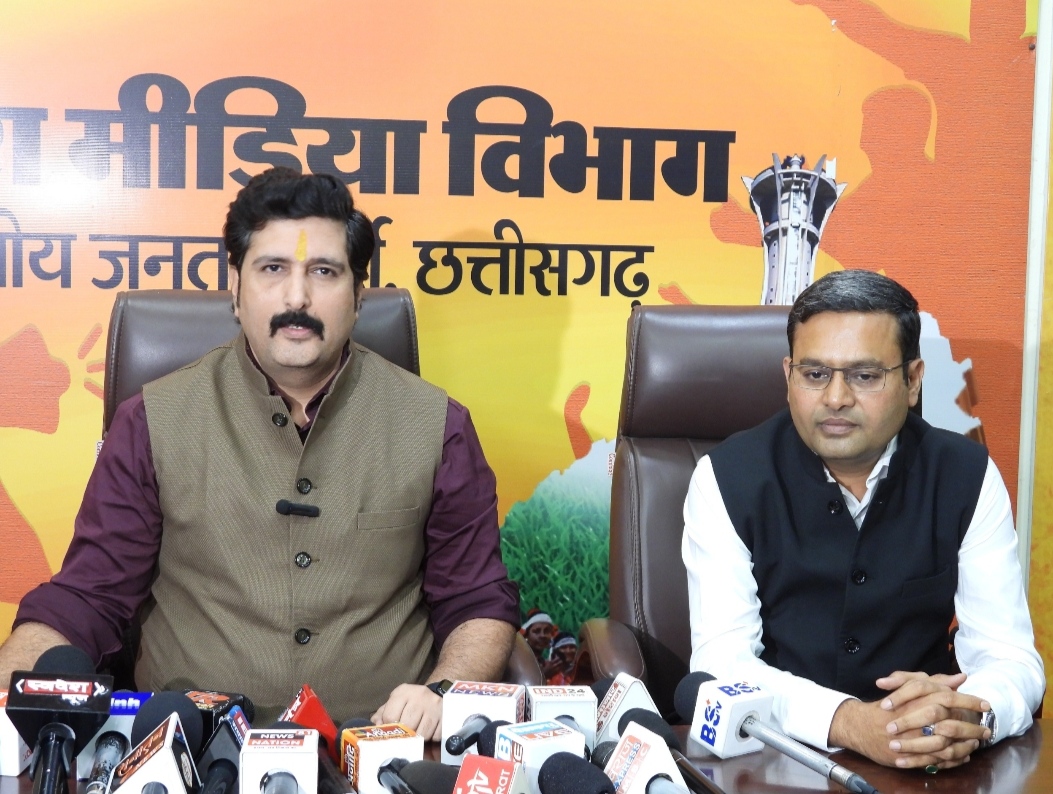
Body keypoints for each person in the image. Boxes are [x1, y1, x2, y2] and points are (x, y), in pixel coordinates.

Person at [0, 168, 520, 736]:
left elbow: (476, 601)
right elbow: (88, 597)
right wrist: (11, 684)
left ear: (358, 295)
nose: (297, 297)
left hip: (379, 747)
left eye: (324, 272)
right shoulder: (150, 422)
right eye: (273, 269)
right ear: (235, 287)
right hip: (192, 748)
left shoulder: (438, 427)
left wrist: (442, 694)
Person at [682, 270, 1043, 771]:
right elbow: (722, 666)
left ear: (913, 380)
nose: (836, 398)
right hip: (773, 763)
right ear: (788, 375)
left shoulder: (966, 475)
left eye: (865, 376)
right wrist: (850, 722)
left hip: (931, 763)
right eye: (814, 374)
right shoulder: (725, 478)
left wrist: (966, 717)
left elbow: (1010, 658)